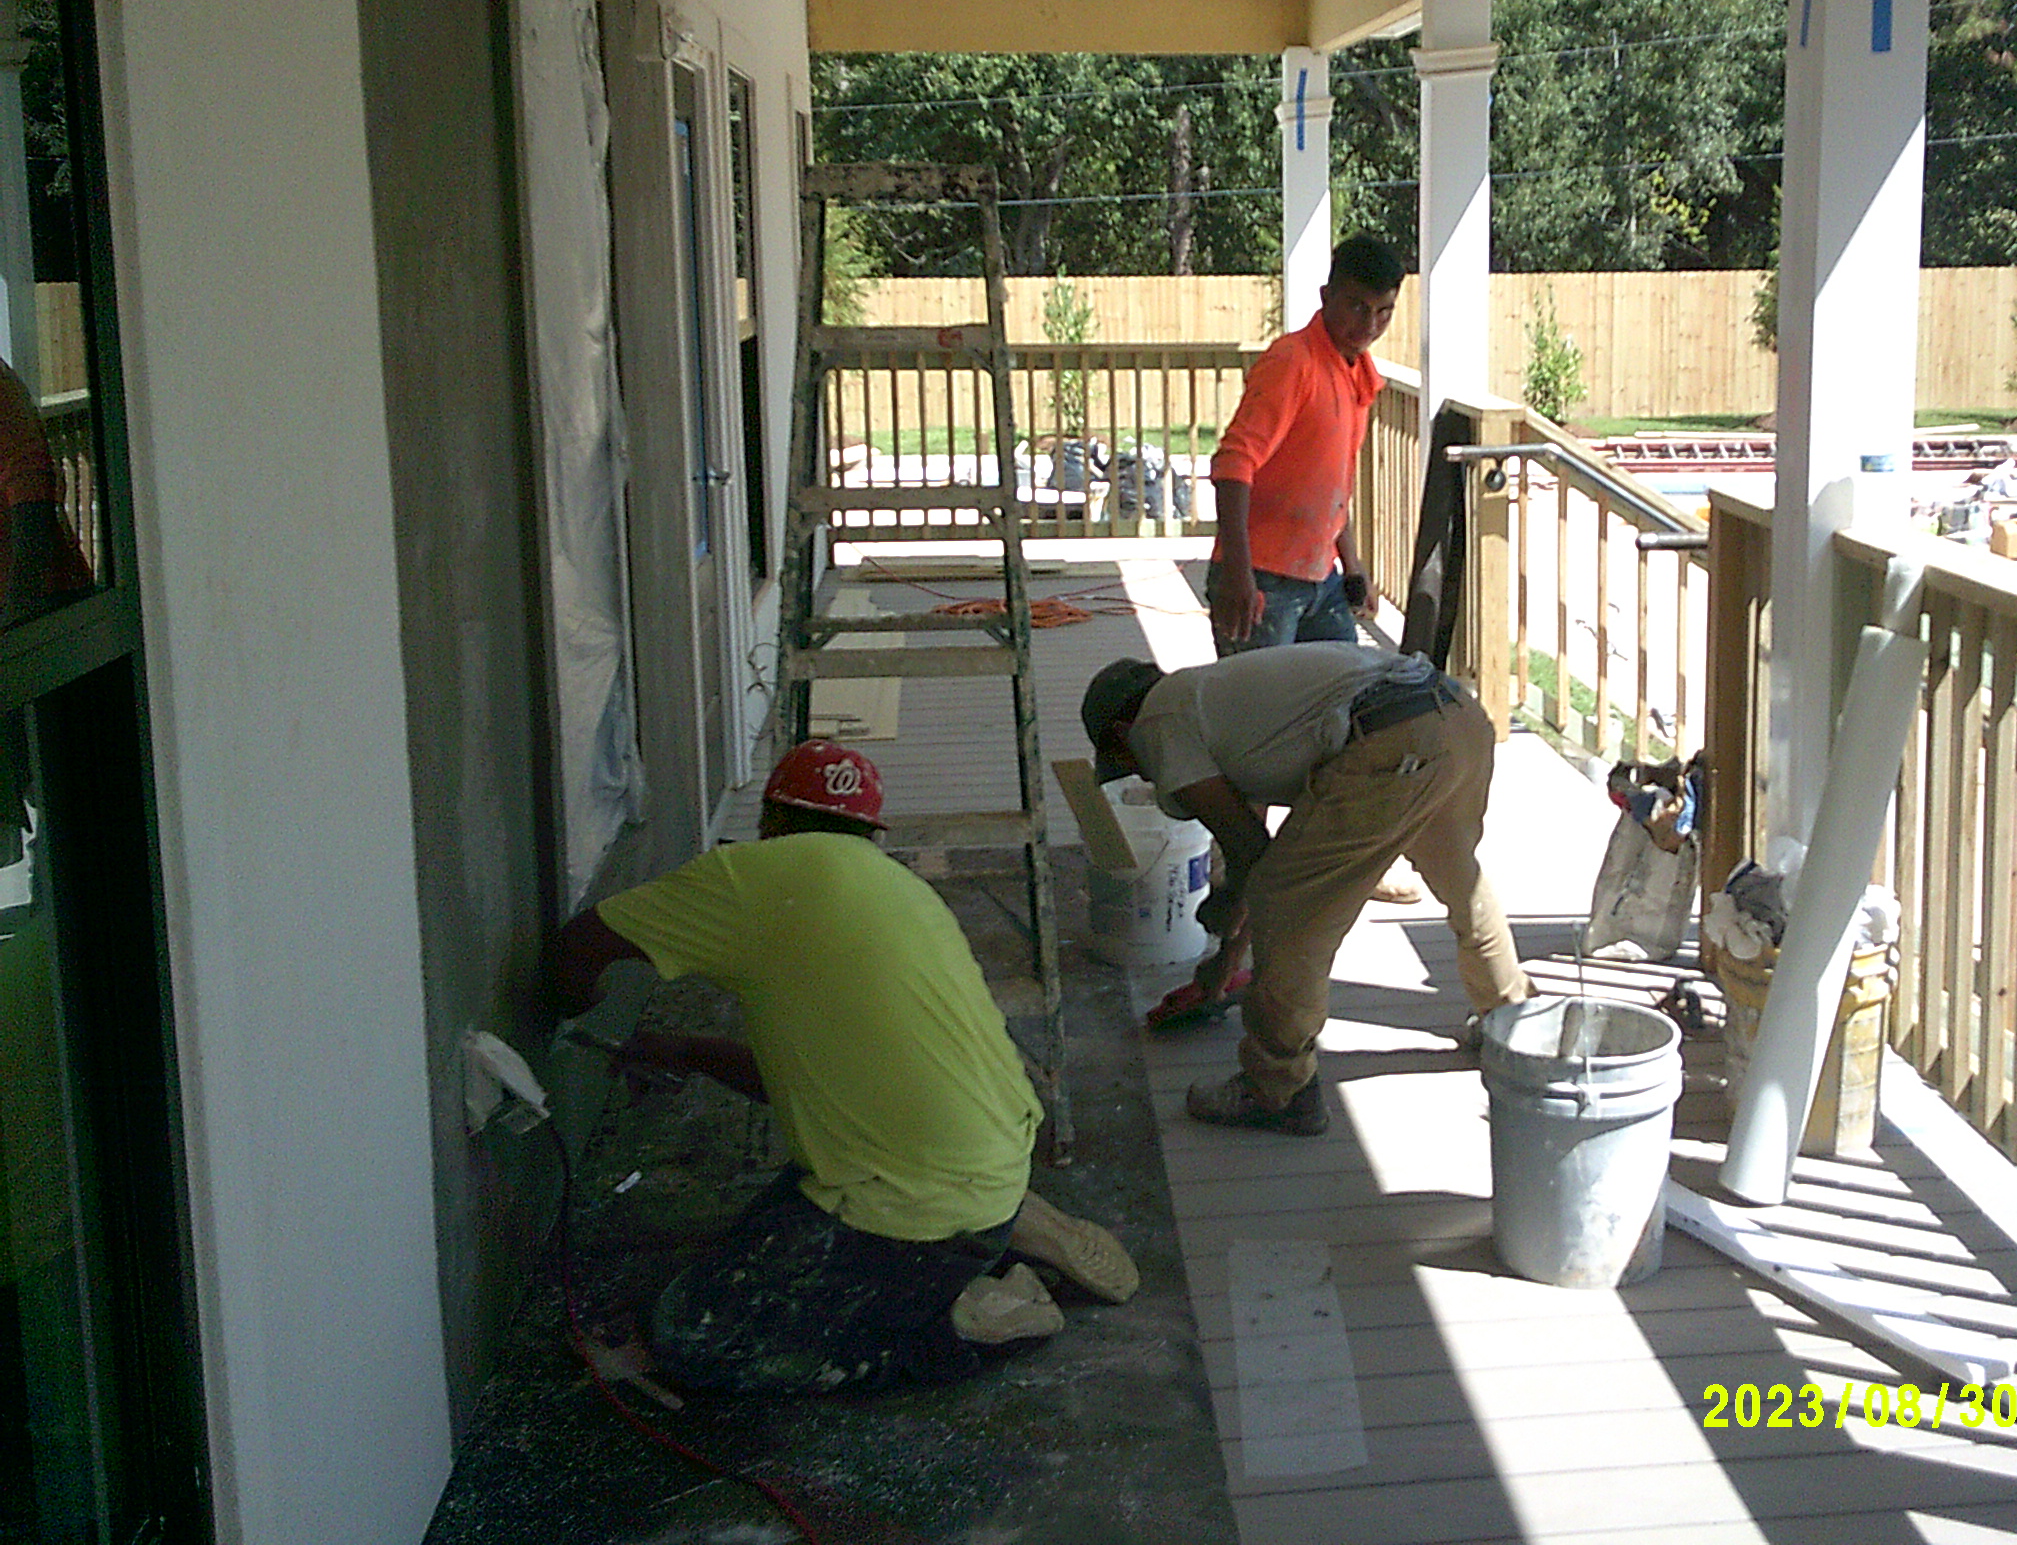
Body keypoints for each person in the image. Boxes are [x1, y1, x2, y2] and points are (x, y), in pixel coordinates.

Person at [550, 738, 1139, 1393]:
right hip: (990, 1150)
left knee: (694, 1339)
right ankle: (992, 1228)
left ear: (769, 820)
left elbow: (578, 951)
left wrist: (569, 1017)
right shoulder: (904, 890)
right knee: (801, 1218)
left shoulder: (747, 878)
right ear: (869, 832)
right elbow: (819, 1082)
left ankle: (962, 1322)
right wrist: (687, 1052)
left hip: (914, 1199)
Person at [1081, 645, 1534, 1136]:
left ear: (1123, 732)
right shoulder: (1210, 699)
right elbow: (1260, 857)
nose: (1146, 773)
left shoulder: (1156, 725)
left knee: (1290, 916)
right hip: (1454, 716)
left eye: (1131, 764)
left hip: (1392, 744)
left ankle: (1277, 1088)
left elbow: (1254, 857)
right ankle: (1509, 1020)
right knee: (1460, 879)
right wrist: (1224, 965)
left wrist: (1224, 912)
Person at [1205, 234, 1404, 658]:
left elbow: (1333, 483)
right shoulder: (1293, 361)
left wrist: (1352, 566)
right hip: (1261, 578)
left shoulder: (1357, 371)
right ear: (1326, 296)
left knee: (1346, 684)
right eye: (1357, 307)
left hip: (1320, 578)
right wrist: (1238, 575)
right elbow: (1232, 465)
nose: (1369, 325)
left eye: (1383, 311)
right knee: (1262, 699)